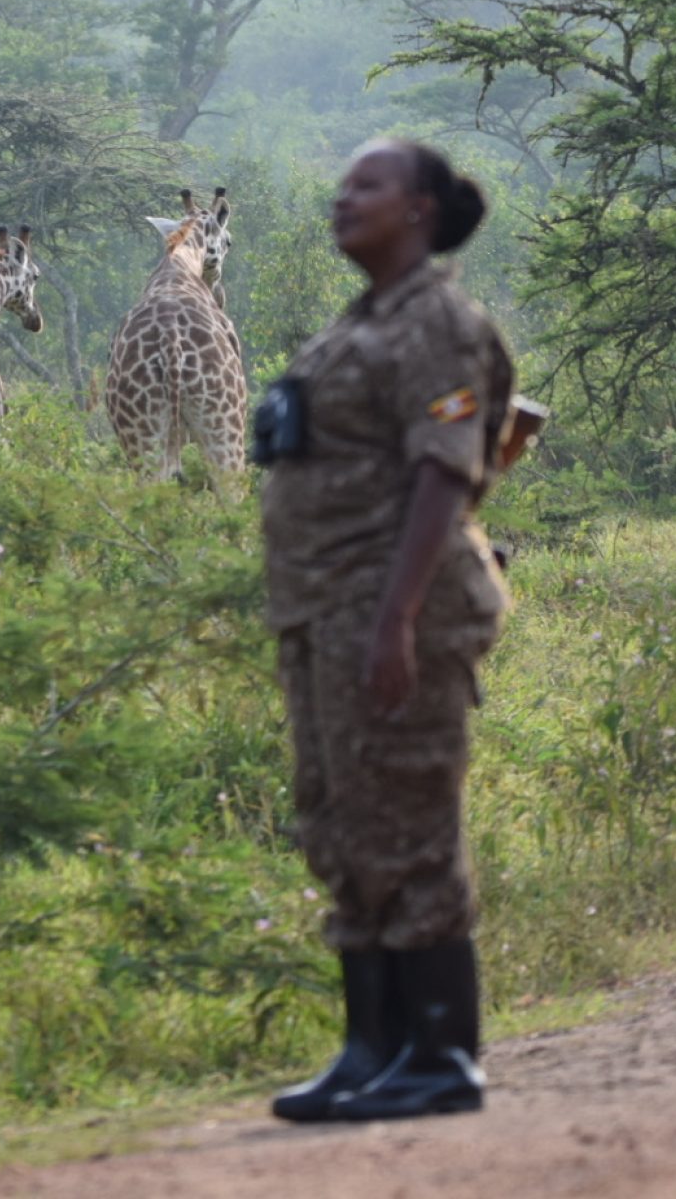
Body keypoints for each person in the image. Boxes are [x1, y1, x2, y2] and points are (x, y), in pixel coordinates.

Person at [256, 139, 519, 1122]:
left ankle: (441, 1051)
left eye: (364, 185)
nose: (340, 199)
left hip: (390, 610)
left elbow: (444, 469)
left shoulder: (438, 324)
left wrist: (396, 616)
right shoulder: (358, 323)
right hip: (322, 611)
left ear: (416, 208)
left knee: (405, 820)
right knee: (338, 822)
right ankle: (370, 1048)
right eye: (340, 184)